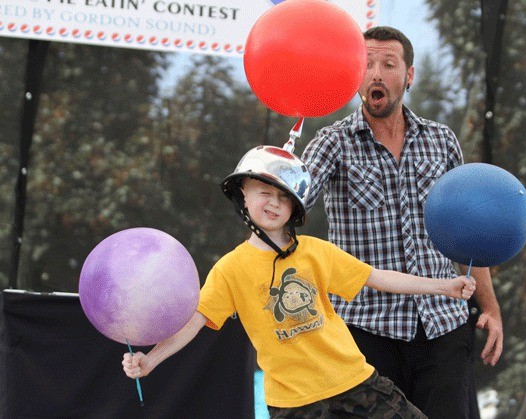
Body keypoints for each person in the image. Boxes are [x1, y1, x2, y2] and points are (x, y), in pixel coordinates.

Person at [122, 145, 476, 418]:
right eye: (263, 191)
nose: (273, 202)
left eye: (283, 197)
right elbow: (192, 323)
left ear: (295, 209)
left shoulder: (315, 252)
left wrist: (445, 285)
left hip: (354, 382)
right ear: (242, 194)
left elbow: (377, 277)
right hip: (293, 405)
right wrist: (150, 361)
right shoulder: (230, 269)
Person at [301, 26, 503, 418]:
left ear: (408, 76)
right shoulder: (331, 142)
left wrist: (490, 308)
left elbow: (466, 235)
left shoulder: (441, 141)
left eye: (388, 64)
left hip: (443, 325)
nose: (376, 73)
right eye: (367, 63)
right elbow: (286, 207)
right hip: (364, 333)